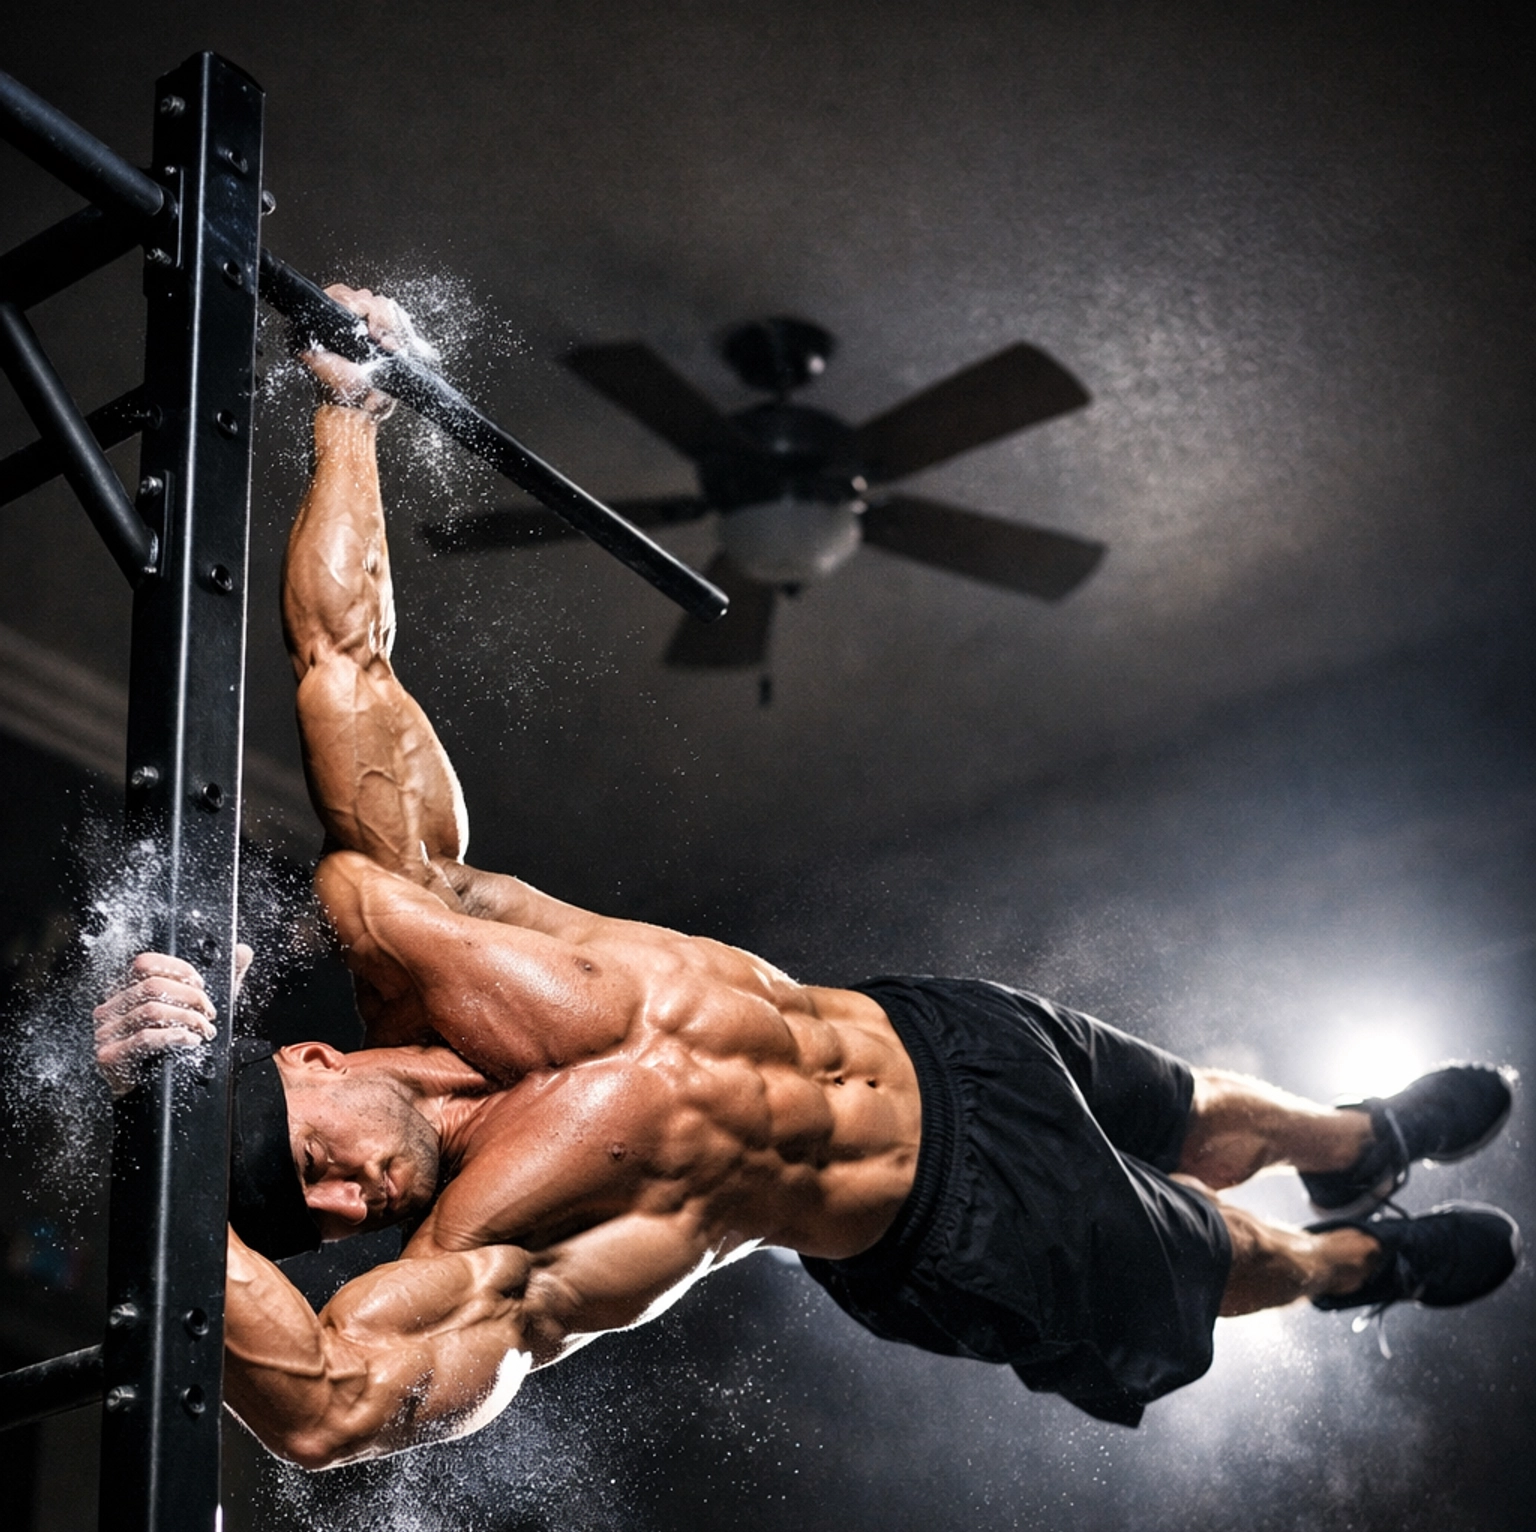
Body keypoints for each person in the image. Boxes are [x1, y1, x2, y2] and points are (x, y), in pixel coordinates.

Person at [91, 290, 1521, 1469]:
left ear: (315, 1052)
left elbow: (346, 666)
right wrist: (167, 1181)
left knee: (1193, 1106)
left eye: (304, 1158)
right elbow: (328, 1406)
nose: (344, 1204)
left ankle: (1354, 1139)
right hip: (953, 1209)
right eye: (313, 1220)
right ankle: (1354, 1272)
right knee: (1203, 1248)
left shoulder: (407, 914)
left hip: (942, 1032)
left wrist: (350, 408)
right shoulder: (500, 1254)